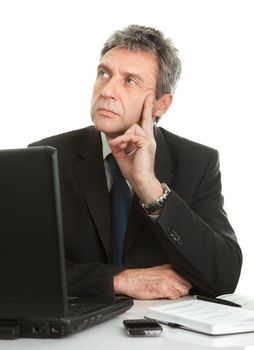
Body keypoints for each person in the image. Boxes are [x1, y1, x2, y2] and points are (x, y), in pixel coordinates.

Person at [30, 25, 242, 300]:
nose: (107, 90)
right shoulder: (47, 157)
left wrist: (149, 187)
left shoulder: (198, 162)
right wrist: (120, 279)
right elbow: (20, 267)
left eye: (130, 80)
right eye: (104, 73)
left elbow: (223, 277)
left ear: (161, 104)